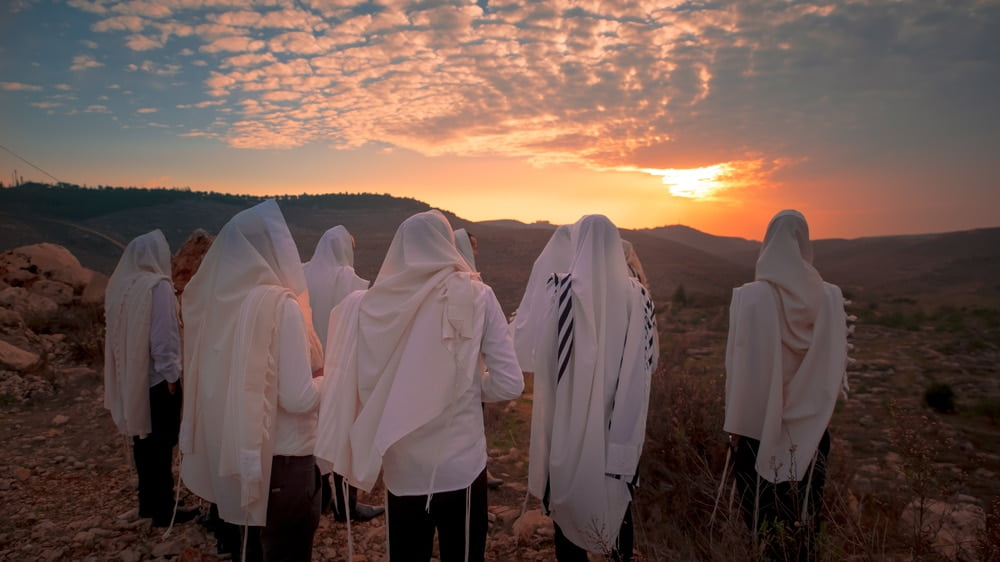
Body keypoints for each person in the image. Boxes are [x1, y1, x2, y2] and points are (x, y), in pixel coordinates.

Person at [315, 210, 523, 562]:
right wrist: (469, 387)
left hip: (403, 470)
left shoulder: (371, 305)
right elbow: (509, 383)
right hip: (462, 466)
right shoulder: (479, 296)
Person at [179, 199, 325, 561]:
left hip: (243, 455)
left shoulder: (223, 305)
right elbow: (298, 398)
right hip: (287, 458)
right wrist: (331, 376)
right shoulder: (281, 307)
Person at [520, 215, 658, 562]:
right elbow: (650, 358)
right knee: (616, 493)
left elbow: (544, 356)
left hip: (570, 418)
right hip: (618, 419)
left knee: (567, 489)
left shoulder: (562, 290)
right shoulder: (638, 296)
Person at [724, 209, 849, 560]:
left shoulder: (750, 297)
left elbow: (738, 367)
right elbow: (834, 364)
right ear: (804, 243)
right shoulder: (830, 298)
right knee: (805, 516)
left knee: (760, 518)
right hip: (811, 427)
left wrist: (734, 425)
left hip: (755, 426)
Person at [104, 230, 198, 528]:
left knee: (142, 441)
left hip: (133, 377)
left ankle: (148, 502)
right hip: (159, 379)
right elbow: (164, 335)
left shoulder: (123, 286)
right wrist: (171, 373)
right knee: (161, 442)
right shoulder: (157, 288)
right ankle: (164, 508)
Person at [302, 225, 385, 523]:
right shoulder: (351, 280)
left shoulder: (301, 274)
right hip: (340, 366)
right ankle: (346, 505)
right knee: (343, 432)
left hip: (308, 365)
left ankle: (318, 498)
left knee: (313, 431)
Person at [454, 228, 505, 490]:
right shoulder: (473, 289)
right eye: (472, 246)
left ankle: (479, 469)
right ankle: (475, 473)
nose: (476, 251)